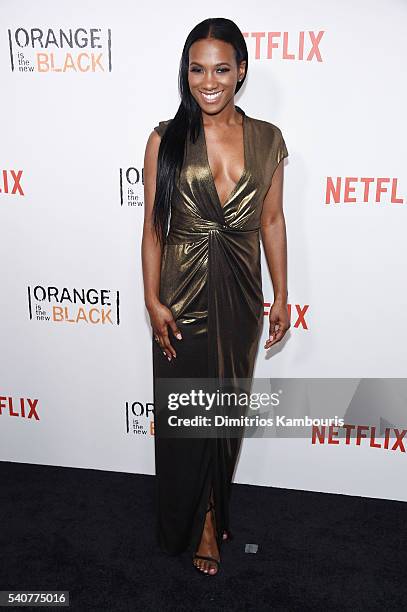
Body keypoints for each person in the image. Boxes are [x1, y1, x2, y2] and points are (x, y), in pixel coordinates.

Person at [141, 17, 290, 576]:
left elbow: (271, 222)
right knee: (187, 413)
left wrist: (281, 295)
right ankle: (198, 520)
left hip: (242, 294)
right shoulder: (166, 138)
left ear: (241, 72)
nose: (209, 81)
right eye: (198, 69)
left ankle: (214, 505)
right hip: (180, 295)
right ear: (187, 73)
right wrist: (153, 301)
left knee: (224, 409)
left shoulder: (267, 139)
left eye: (221, 69)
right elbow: (154, 228)